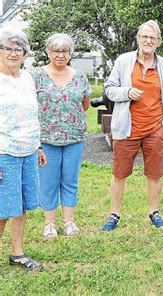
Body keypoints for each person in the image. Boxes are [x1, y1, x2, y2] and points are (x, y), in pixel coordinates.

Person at [102, 20, 163, 231]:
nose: (148, 40)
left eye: (152, 38)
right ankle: (114, 214)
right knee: (119, 173)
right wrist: (126, 92)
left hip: (155, 128)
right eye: (144, 36)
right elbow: (109, 89)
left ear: (158, 42)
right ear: (137, 39)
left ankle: (154, 212)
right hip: (127, 128)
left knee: (155, 173)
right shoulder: (124, 61)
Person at [31, 33, 91, 238]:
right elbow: (30, 107)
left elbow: (85, 104)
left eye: (64, 51)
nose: (60, 55)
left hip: (74, 138)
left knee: (70, 179)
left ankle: (69, 221)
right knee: (48, 180)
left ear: (70, 53)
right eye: (56, 50)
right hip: (47, 138)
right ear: (48, 52)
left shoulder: (79, 76)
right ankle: (49, 223)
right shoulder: (36, 76)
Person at [0, 28, 47, 270]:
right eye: (7, 48)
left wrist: (38, 146)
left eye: (18, 49)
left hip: (28, 150)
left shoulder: (27, 78)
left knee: (22, 206)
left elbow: (32, 115)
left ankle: (17, 253)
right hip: (4, 153)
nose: (13, 53)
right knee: (2, 208)